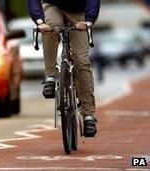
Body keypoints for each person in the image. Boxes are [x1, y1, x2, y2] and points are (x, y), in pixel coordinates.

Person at [28, 0, 100, 137]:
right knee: (51, 27)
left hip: (80, 11)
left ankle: (88, 115)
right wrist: (39, 21)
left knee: (81, 61)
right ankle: (50, 75)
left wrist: (89, 20)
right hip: (54, 6)